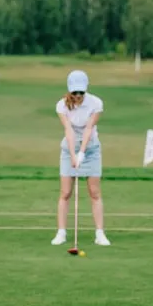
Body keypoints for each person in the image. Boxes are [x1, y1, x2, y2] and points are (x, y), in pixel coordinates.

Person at [50, 69, 110, 247]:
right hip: (69, 152)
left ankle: (100, 233)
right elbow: (68, 130)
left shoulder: (96, 103)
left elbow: (88, 128)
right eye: (75, 92)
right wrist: (74, 154)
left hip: (91, 151)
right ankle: (61, 232)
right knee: (65, 193)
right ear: (69, 90)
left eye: (81, 92)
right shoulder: (61, 105)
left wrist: (82, 153)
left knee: (94, 193)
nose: (78, 96)